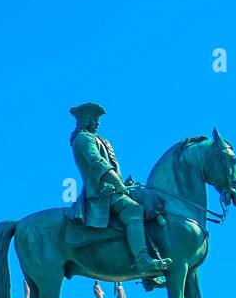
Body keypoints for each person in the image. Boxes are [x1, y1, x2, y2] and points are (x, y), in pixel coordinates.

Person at [68, 102, 170, 276]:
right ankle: (142, 260)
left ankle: (152, 265)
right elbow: (97, 163)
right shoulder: (83, 138)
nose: (98, 123)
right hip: (102, 192)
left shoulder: (99, 139)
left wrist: (123, 182)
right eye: (95, 118)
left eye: (98, 119)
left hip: (113, 188)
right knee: (133, 210)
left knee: (149, 201)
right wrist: (117, 183)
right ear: (86, 120)